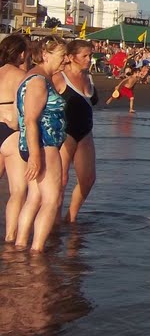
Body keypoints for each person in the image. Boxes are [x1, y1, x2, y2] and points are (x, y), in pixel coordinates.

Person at [15, 36, 68, 252]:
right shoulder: (38, 81)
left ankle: (19, 247)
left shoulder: (37, 77)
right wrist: (36, 156)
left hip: (38, 146)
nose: (65, 61)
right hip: (44, 146)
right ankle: (36, 250)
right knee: (51, 200)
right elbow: (30, 119)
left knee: (34, 197)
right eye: (62, 56)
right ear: (46, 55)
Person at [52, 39, 99, 223]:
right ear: (71, 57)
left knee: (88, 180)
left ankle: (70, 217)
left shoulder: (89, 77)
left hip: (86, 132)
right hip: (65, 133)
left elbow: (92, 101)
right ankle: (53, 221)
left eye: (91, 55)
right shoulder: (59, 77)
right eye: (85, 56)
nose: (89, 59)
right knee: (61, 181)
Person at [0, 34, 31, 241]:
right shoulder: (21, 76)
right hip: (10, 131)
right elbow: (26, 111)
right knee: (18, 190)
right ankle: (11, 238)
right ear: (21, 54)